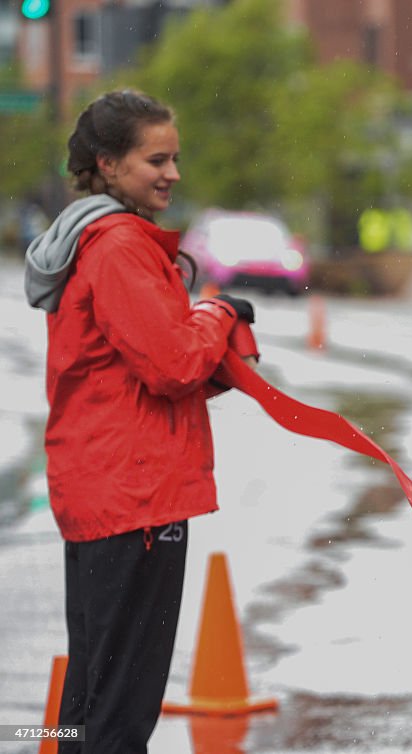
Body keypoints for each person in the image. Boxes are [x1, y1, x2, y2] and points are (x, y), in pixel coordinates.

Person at [24, 90, 257, 753]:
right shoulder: (120, 246)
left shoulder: (84, 238)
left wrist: (207, 344)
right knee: (121, 710)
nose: (173, 173)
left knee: (89, 694)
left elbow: (130, 372)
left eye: (175, 158)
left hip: (99, 488)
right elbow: (175, 365)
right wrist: (218, 314)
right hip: (137, 499)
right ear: (108, 163)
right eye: (156, 159)